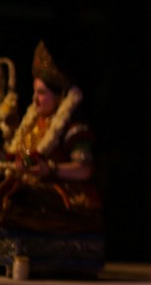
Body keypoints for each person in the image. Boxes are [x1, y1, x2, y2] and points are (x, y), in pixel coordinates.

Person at [1, 41, 102, 236]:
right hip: (33, 192)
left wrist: (50, 169)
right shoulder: (33, 126)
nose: (34, 99)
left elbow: (85, 169)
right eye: (34, 92)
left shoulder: (73, 127)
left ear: (60, 96)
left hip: (64, 199)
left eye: (41, 93)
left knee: (12, 203)